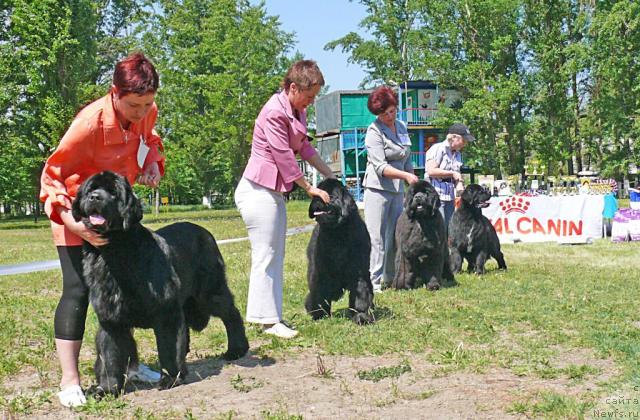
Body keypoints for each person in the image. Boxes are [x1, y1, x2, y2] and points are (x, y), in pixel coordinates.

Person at [40, 52, 165, 407]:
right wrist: (74, 224)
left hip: (115, 219)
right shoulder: (88, 125)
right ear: (114, 93)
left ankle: (133, 365)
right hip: (75, 213)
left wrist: (153, 163)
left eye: (147, 104)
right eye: (133, 105)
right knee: (78, 290)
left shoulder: (146, 112)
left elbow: (149, 140)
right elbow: (52, 175)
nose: (141, 112)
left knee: (126, 288)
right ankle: (70, 381)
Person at [234, 60, 335, 339]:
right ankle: (268, 321)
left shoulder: (296, 111)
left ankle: (269, 316)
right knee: (266, 254)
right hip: (257, 190)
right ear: (293, 87)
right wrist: (308, 188)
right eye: (310, 95)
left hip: (273, 192)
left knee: (274, 254)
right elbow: (284, 157)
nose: (311, 102)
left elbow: (303, 146)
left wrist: (330, 174)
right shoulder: (273, 113)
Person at [362, 85, 418, 293]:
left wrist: (412, 180)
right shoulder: (373, 132)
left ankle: (393, 277)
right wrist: (405, 176)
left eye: (392, 111)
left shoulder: (402, 127)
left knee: (396, 235)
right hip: (377, 189)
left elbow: (406, 156)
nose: (389, 117)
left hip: (398, 191)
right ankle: (372, 282)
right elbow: (380, 167)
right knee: (376, 238)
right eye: (384, 114)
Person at [425, 123, 475, 230]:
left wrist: (460, 184)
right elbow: (431, 171)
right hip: (436, 196)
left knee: (450, 228)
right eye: (464, 140)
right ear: (453, 138)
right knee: (439, 228)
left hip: (450, 197)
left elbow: (457, 174)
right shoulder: (438, 148)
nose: (465, 143)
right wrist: (452, 174)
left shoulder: (458, 154)